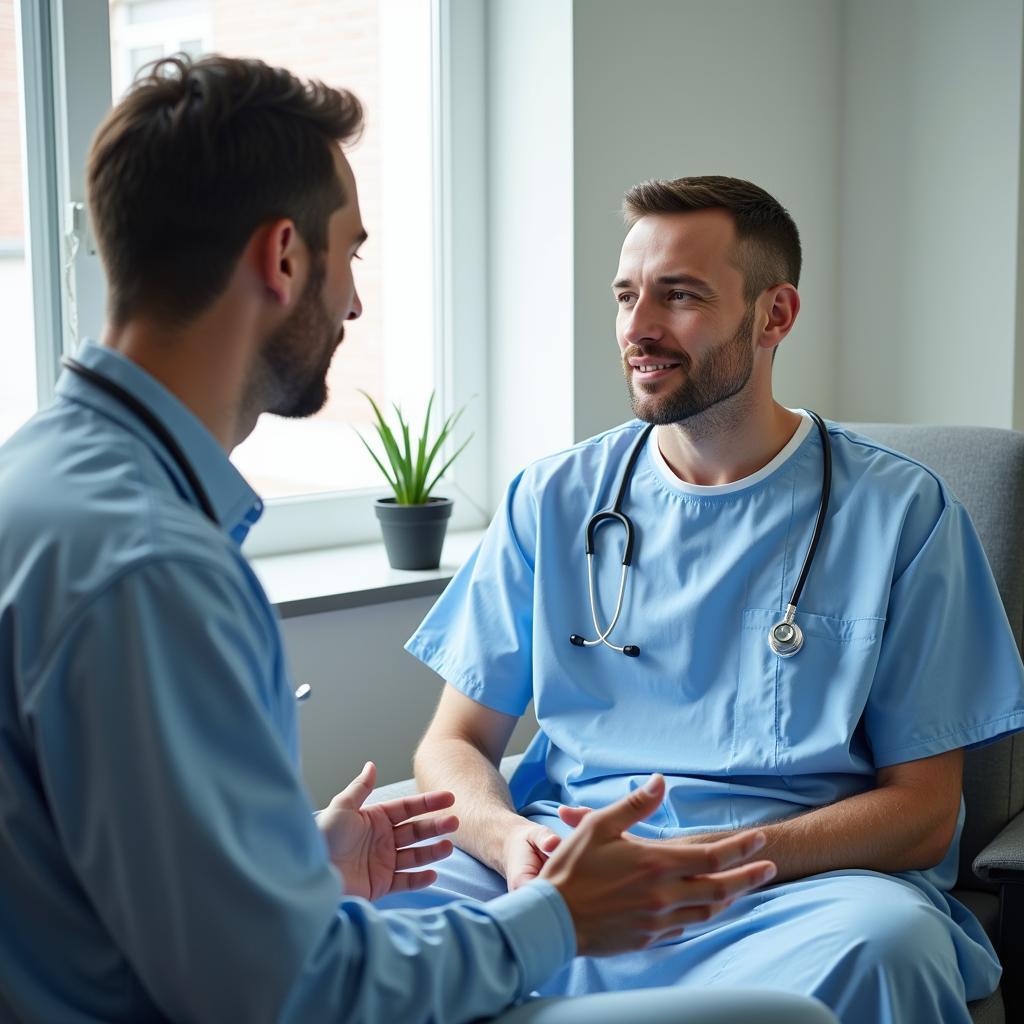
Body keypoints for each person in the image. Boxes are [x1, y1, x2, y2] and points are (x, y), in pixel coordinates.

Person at [0, 57, 841, 1024]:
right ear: (283, 259)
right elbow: (284, 992)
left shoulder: (43, 485)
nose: (354, 304)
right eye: (350, 251)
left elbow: (101, 866)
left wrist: (291, 862)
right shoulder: (153, 569)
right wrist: (555, 919)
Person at [395, 175, 1024, 1023]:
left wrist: (722, 853)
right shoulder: (551, 499)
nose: (638, 328)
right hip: (569, 871)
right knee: (363, 903)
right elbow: (453, 743)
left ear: (775, 316)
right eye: (627, 296)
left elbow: (923, 811)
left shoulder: (902, 514)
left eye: (679, 295)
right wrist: (512, 842)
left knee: (889, 946)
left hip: (787, 893)